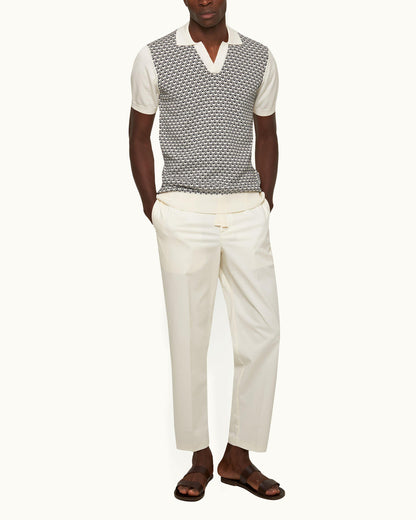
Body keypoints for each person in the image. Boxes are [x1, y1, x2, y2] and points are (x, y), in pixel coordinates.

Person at [129, 0, 284, 502]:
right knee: (188, 336)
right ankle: (199, 457)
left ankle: (238, 458)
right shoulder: (154, 56)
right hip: (182, 211)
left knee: (262, 332)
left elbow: (267, 133)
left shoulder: (259, 57)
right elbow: (138, 134)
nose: (206, 1)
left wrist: (264, 201)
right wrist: (154, 206)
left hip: (245, 210)